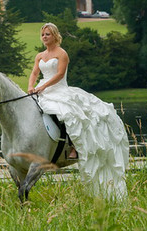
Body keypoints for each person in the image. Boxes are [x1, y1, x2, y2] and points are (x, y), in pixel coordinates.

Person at [27, 23, 129, 200]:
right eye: (43, 34)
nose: (44, 37)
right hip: (41, 90)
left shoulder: (62, 53)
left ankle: (72, 146)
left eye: (48, 34)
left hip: (59, 89)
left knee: (67, 113)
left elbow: (59, 75)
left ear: (55, 36)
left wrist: (42, 86)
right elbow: (34, 73)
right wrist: (31, 86)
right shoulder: (39, 56)